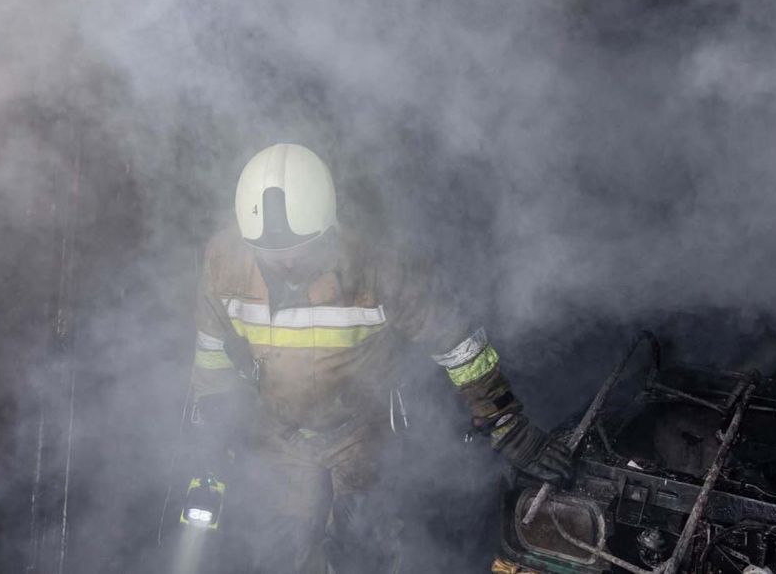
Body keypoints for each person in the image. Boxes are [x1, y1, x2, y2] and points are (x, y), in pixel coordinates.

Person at [187, 143, 572, 573]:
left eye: (301, 250)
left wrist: (506, 422)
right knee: (280, 557)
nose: (287, 264)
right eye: (271, 256)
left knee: (360, 553)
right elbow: (211, 348)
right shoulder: (224, 262)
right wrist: (211, 417)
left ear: (328, 229)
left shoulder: (381, 265)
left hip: (363, 438)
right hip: (279, 437)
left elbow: (457, 342)